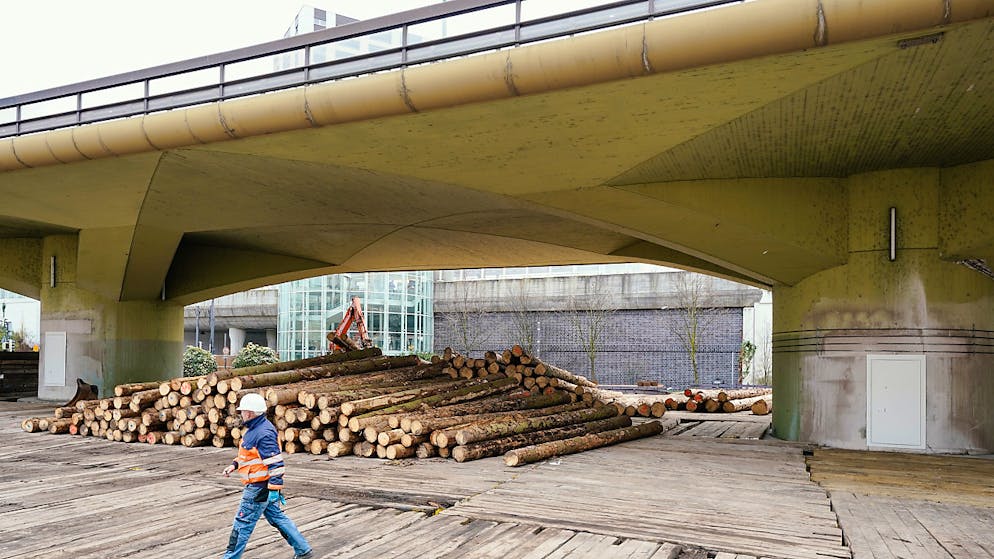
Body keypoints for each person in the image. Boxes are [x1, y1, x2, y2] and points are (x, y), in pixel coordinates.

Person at [222, 393, 312, 559]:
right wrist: (234, 465)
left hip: (258, 488)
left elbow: (276, 465)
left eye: (242, 411)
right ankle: (303, 549)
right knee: (277, 517)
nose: (241, 414)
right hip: (263, 487)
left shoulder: (263, 433)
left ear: (249, 413)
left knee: (242, 524)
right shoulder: (256, 429)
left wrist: (274, 489)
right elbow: (250, 456)